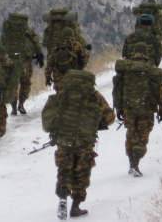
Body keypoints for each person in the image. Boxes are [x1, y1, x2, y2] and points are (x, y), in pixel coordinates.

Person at [41, 69, 115, 219]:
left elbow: (49, 120)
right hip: (85, 142)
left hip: (64, 140)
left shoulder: (63, 95)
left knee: (64, 170)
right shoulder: (95, 97)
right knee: (82, 173)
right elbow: (110, 118)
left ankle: (63, 198)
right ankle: (75, 206)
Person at [113, 43, 162, 177]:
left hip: (128, 108)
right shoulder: (152, 69)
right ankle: (135, 163)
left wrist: (118, 108)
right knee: (142, 135)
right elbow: (161, 91)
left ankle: (131, 162)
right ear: (146, 53)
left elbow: (117, 90)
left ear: (134, 52)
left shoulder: (125, 68)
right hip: (146, 108)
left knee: (131, 134)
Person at [0, 13, 45, 115]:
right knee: (25, 83)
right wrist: (40, 55)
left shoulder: (7, 29)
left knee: (13, 83)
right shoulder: (26, 29)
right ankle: (21, 104)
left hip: (10, 61)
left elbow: (2, 44)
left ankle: (13, 107)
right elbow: (35, 41)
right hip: (24, 61)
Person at [45, 27, 90, 92]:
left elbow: (50, 63)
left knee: (60, 97)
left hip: (59, 80)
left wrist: (48, 76)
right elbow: (86, 56)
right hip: (74, 77)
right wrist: (81, 66)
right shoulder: (77, 45)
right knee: (73, 95)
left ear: (63, 35)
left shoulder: (57, 47)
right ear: (72, 35)